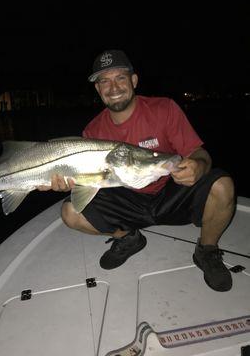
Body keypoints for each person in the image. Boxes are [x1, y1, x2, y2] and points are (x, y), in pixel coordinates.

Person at [39, 49, 236, 292]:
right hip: (127, 198)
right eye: (104, 81)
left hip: (168, 190)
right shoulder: (92, 131)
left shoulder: (164, 109)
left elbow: (199, 153)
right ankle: (128, 237)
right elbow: (87, 183)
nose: (113, 87)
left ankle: (207, 251)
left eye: (120, 78)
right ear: (98, 89)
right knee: (71, 213)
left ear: (134, 80)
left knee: (223, 185)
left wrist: (198, 166)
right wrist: (66, 183)